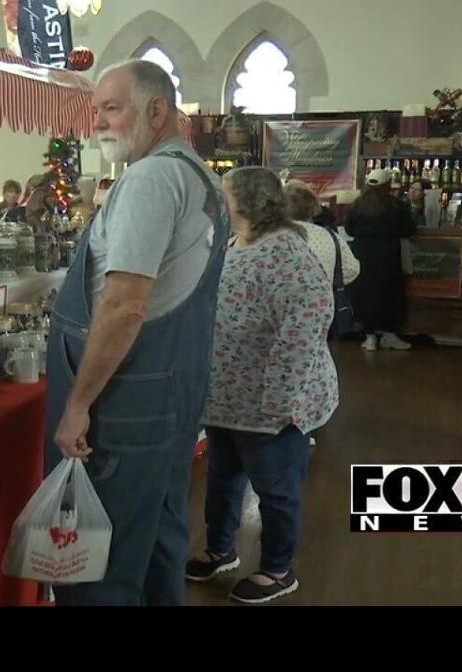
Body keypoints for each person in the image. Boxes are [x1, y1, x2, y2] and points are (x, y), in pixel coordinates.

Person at [46, 59, 229, 606]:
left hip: (126, 402)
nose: (98, 122)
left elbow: (125, 305)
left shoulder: (150, 177)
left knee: (99, 562)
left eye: (112, 108)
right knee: (157, 541)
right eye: (95, 109)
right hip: (169, 388)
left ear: (156, 110)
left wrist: (78, 404)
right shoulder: (200, 175)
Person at [186, 167, 339, 604]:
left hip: (271, 403)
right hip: (228, 396)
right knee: (223, 477)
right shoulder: (234, 242)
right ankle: (220, 548)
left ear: (249, 202)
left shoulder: (288, 254)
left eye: (224, 195)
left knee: (275, 489)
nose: (216, 202)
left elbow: (305, 329)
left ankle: (277, 569)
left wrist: (280, 399)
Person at [347, 169, 417, 351]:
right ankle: (389, 336)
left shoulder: (357, 204)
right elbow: (409, 229)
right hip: (388, 256)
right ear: (387, 185)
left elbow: (349, 229)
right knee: (390, 295)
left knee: (366, 295)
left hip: (362, 255)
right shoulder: (395, 205)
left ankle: (369, 337)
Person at [284, 179, 360, 283]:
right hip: (325, 296)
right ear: (313, 207)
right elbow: (352, 269)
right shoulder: (331, 237)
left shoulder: (270, 237)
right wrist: (329, 283)